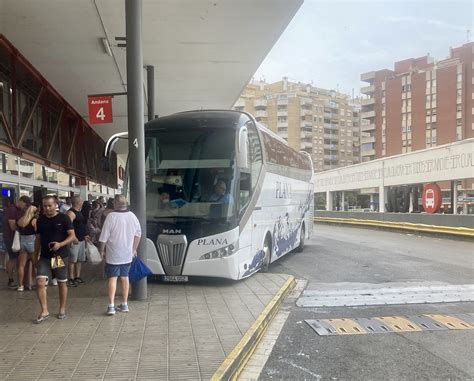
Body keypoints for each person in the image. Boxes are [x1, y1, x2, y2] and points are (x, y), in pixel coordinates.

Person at [34, 196, 76, 323]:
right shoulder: (40, 220)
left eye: (49, 206)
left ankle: (62, 308)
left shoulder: (64, 218)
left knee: (61, 282)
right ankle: (44, 311)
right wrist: (35, 255)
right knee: (40, 282)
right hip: (45, 257)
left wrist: (60, 244)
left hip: (58, 256)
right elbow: (38, 239)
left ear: (55, 205)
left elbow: (72, 236)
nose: (47, 208)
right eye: (44, 206)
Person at [99, 195, 141, 316]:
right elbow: (138, 234)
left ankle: (111, 306)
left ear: (115, 204)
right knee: (125, 277)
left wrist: (102, 250)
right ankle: (124, 304)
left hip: (113, 254)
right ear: (126, 203)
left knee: (112, 278)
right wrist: (134, 249)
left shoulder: (111, 217)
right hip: (127, 254)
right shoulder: (133, 216)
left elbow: (104, 236)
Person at [3, 196, 29, 288]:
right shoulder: (11, 210)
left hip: (17, 237)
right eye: (24, 205)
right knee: (13, 258)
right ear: (20, 201)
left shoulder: (19, 211)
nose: (24, 208)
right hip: (11, 237)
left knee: (18, 259)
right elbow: (12, 226)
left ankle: (20, 280)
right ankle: (10, 279)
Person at [66, 196, 88, 287]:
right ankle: (70, 278)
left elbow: (81, 225)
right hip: (75, 240)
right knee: (72, 260)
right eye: (81, 201)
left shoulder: (79, 212)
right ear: (78, 202)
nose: (82, 202)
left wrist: (85, 235)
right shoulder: (71, 213)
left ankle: (77, 276)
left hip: (81, 239)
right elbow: (68, 226)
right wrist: (72, 237)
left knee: (79, 259)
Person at [16, 202, 38, 291]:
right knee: (35, 264)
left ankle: (20, 285)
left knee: (21, 265)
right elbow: (37, 232)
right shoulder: (34, 220)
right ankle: (37, 283)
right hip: (32, 242)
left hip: (22, 242)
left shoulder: (21, 220)